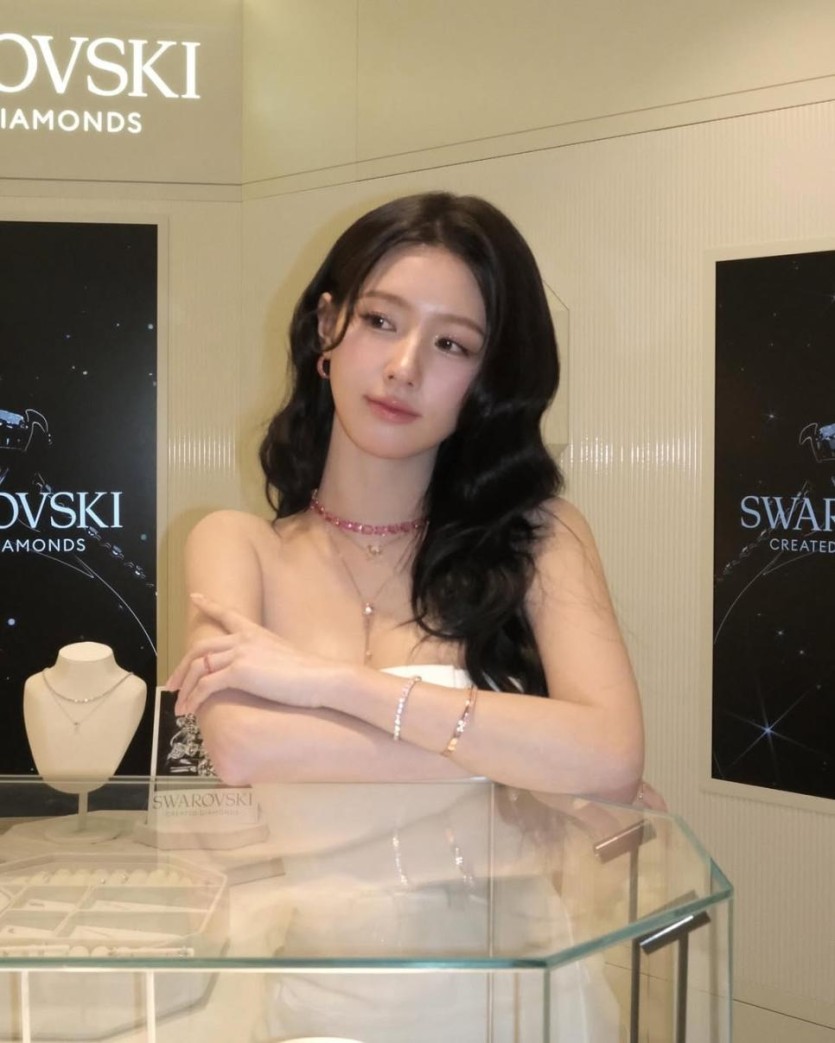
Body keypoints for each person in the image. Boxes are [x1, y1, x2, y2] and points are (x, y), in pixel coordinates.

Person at [167, 191, 648, 803]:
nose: (403, 367)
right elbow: (242, 748)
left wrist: (333, 684)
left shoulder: (541, 538)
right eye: (379, 321)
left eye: (452, 345)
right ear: (327, 327)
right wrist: (524, 761)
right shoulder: (234, 544)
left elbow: (610, 758)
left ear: (490, 379)